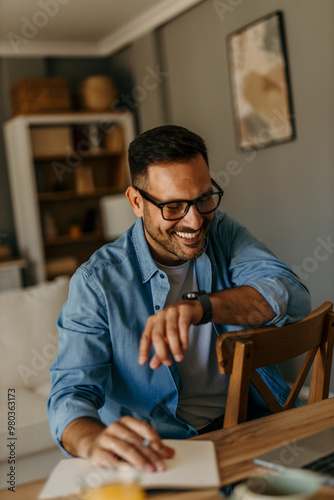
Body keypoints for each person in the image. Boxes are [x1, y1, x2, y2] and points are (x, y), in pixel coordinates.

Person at [48, 124, 311, 474]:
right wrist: (90, 439)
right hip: (162, 453)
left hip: (249, 427)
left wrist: (200, 307)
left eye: (203, 198)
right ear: (137, 202)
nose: (195, 220)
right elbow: (70, 393)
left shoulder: (222, 231)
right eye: (173, 206)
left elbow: (292, 295)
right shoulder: (96, 283)